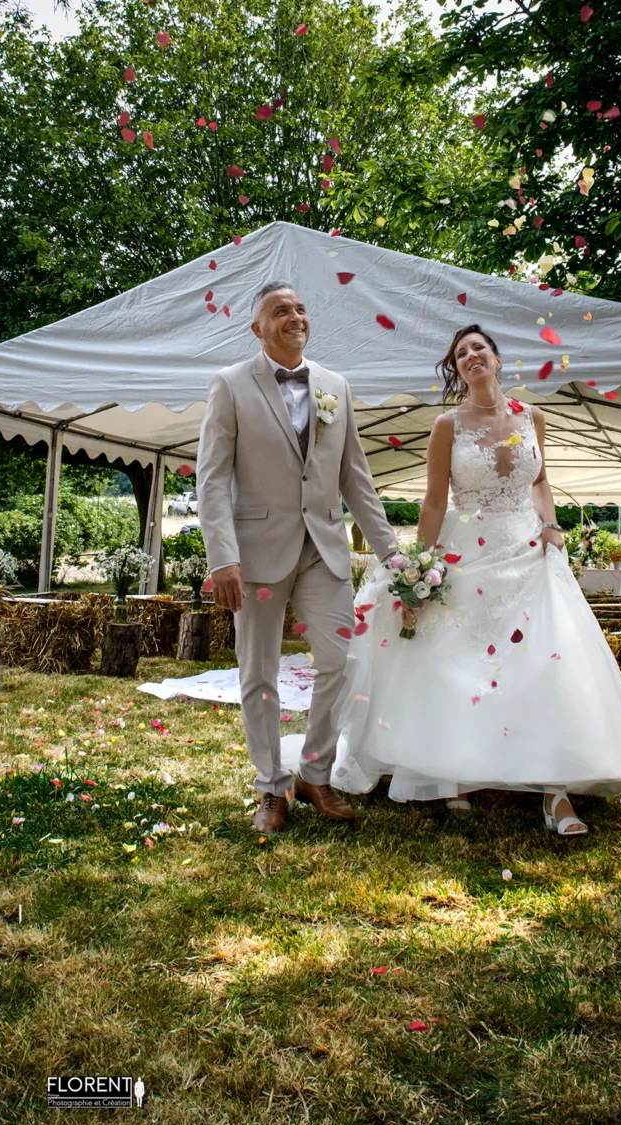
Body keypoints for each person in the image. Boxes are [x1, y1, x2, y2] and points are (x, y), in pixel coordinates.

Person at [328, 324, 621, 834]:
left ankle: (556, 792)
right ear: (457, 369)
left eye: (478, 348)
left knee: (546, 657)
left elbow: (542, 481)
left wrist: (551, 527)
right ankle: (459, 772)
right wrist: (422, 561)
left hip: (529, 552)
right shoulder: (447, 425)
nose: (470, 357)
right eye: (461, 354)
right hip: (468, 554)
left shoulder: (533, 416)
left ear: (497, 358)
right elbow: (435, 498)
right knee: (459, 659)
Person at [197, 282, 397, 833]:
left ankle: (314, 772)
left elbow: (356, 479)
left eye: (301, 308)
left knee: (342, 660)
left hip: (323, 550)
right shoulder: (231, 385)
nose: (294, 317)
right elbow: (212, 479)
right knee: (258, 674)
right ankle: (271, 788)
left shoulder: (336, 386)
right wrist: (223, 559)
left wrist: (393, 554)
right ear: (258, 327)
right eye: (280, 311)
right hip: (255, 555)